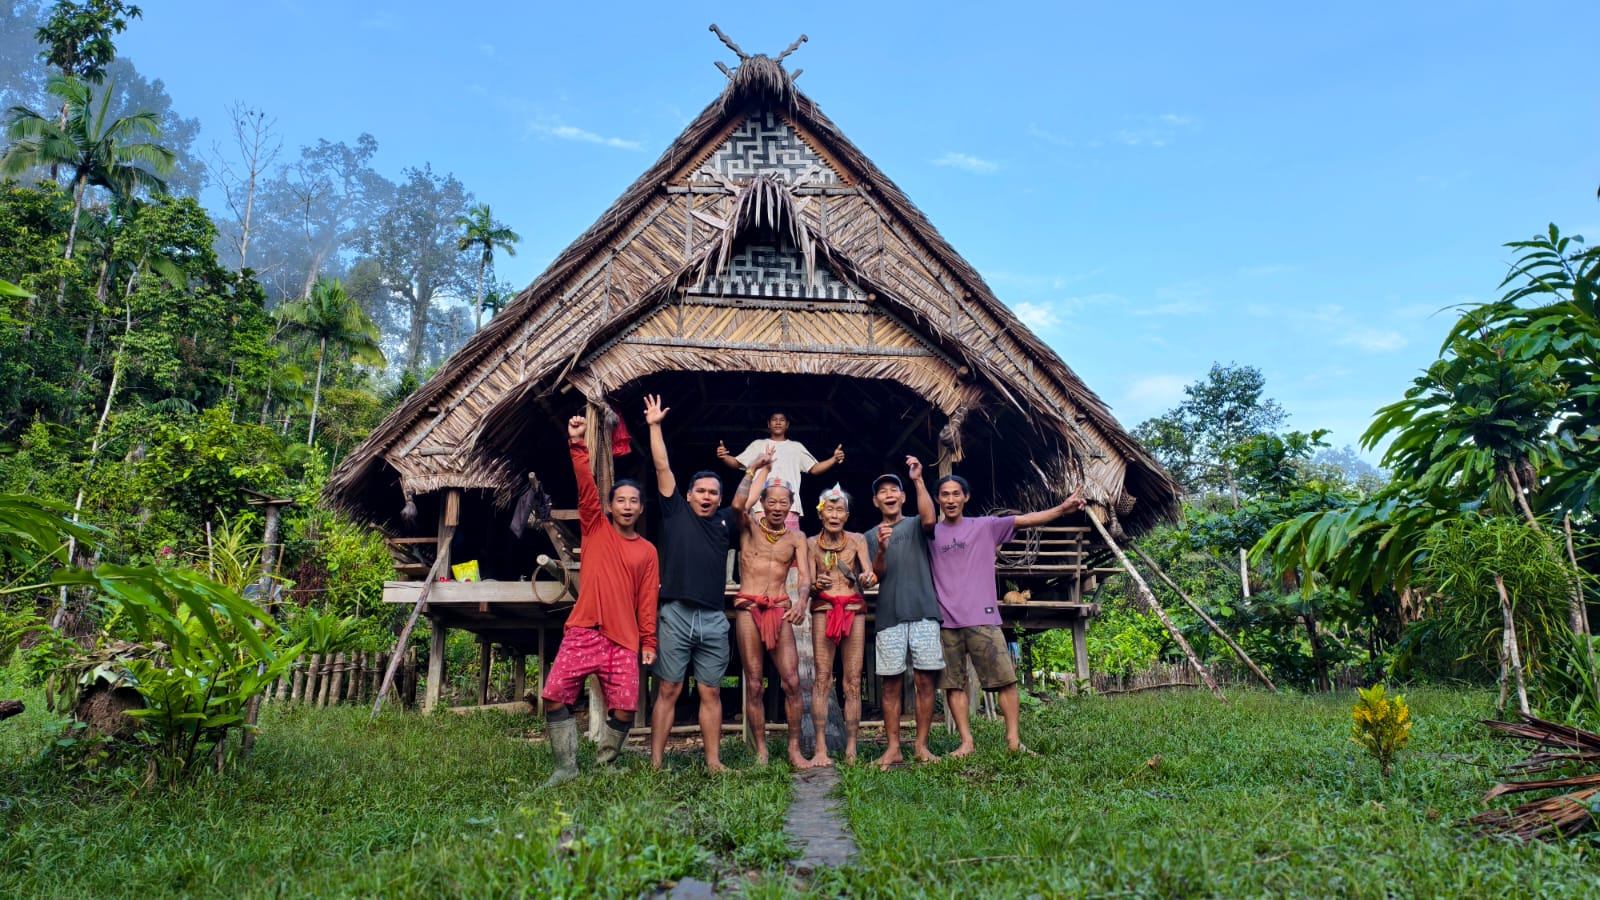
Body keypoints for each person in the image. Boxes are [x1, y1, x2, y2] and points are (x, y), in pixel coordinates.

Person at [539, 415, 660, 788]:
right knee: (554, 697)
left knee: (624, 709)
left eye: (633, 501)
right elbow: (586, 486)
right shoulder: (595, 528)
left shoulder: (648, 552)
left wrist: (649, 641)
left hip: (623, 639)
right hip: (584, 630)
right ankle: (566, 767)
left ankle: (606, 762)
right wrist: (577, 444)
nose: (626, 506)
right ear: (609, 507)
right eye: (620, 500)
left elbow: (646, 600)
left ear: (641, 509)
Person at [930, 474, 1085, 757]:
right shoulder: (931, 533)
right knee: (953, 684)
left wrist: (1062, 509)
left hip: (983, 617)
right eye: (944, 495)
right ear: (938, 499)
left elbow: (1027, 519)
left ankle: (1014, 742)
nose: (950, 500)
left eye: (956, 494)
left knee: (1007, 681)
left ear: (966, 498)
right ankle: (966, 743)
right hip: (946, 620)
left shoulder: (985, 526)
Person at [643, 394, 736, 773]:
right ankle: (655, 762)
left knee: (711, 691)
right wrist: (654, 426)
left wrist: (760, 466)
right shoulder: (675, 512)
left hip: (714, 617)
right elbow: (663, 467)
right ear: (688, 494)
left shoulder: (726, 522)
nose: (708, 497)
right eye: (701, 491)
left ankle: (714, 763)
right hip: (676, 613)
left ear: (719, 499)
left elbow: (750, 495)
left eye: (714, 493)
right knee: (669, 688)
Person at [731, 447, 813, 767]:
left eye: (783, 502)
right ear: (763, 503)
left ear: (791, 505)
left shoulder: (796, 539)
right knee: (754, 683)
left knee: (792, 681)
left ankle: (794, 749)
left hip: (779, 607)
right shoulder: (749, 527)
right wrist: (753, 468)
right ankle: (761, 751)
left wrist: (802, 601)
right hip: (749, 607)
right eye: (772, 501)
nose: (777, 507)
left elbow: (805, 577)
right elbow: (738, 503)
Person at [867, 457, 943, 771]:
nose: (888, 494)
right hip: (890, 616)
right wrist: (882, 549)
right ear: (875, 501)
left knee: (925, 682)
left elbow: (930, 518)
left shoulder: (915, 523)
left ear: (902, 497)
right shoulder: (871, 535)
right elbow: (877, 574)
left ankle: (922, 747)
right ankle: (894, 747)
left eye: (893, 490)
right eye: (882, 491)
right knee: (890, 684)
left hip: (924, 612)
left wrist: (918, 479)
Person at [804, 484, 876, 766]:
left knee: (853, 681)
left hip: (852, 610)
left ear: (846, 515)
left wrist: (869, 577)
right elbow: (808, 582)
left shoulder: (858, 540)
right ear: (821, 514)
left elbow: (867, 570)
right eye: (829, 509)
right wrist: (815, 583)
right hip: (824, 609)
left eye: (840, 510)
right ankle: (820, 749)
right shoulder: (810, 543)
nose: (834, 515)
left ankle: (851, 749)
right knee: (822, 679)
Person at [717, 411, 844, 530]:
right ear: (768, 424)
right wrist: (724, 457)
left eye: (782, 420)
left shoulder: (796, 447)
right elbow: (736, 463)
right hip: (760, 506)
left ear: (787, 424)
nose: (778, 422)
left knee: (788, 547)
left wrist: (833, 459)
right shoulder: (757, 445)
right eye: (774, 420)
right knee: (760, 547)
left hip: (789, 507)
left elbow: (814, 469)